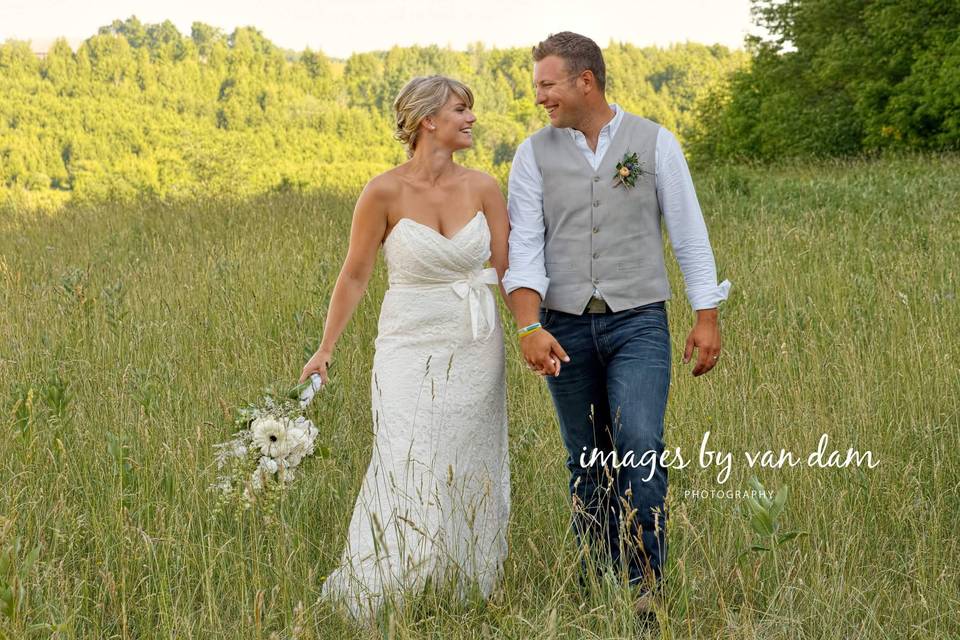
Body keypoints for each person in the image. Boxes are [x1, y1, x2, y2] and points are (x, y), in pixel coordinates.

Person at [502, 32, 732, 614]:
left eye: (547, 85)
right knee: (586, 460)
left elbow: (688, 232)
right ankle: (599, 583)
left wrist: (707, 315)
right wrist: (529, 327)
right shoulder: (532, 154)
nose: (539, 98)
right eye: (537, 87)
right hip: (564, 326)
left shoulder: (655, 143)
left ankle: (645, 588)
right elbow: (525, 246)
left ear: (586, 81)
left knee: (637, 442)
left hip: (639, 324)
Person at [299, 75, 512, 622]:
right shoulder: (383, 191)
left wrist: (535, 334)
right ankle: (383, 588)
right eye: (461, 109)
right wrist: (325, 348)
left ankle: (460, 587)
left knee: (467, 460)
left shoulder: (486, 187)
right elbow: (354, 275)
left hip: (475, 344)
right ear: (428, 120)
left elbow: (510, 272)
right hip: (405, 346)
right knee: (405, 455)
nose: (470, 119)